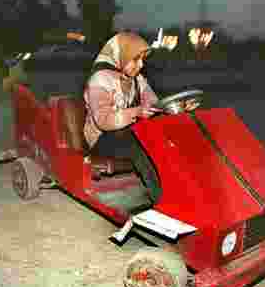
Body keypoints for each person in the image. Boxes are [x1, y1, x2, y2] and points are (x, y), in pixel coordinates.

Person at [83, 32, 196, 204]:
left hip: (127, 134)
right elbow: (103, 120)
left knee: (167, 138)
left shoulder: (137, 79)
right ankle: (163, 201)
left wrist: (178, 108)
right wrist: (137, 112)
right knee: (140, 143)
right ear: (122, 55)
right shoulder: (100, 80)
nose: (141, 65)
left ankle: (187, 190)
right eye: (136, 59)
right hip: (101, 140)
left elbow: (154, 105)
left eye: (143, 59)